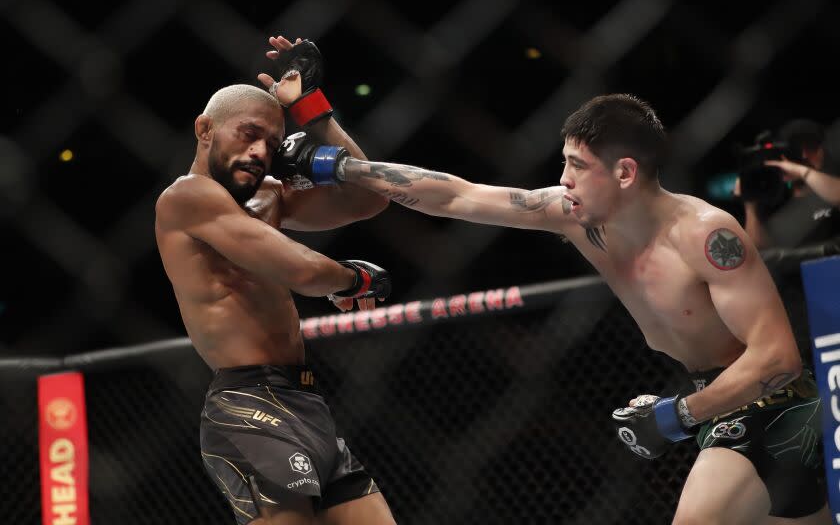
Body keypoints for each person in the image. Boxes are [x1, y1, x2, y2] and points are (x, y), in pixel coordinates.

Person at [281, 93, 829, 524]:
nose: (563, 179)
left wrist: (676, 415)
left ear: (624, 173)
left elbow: (778, 358)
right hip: (717, 405)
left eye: (577, 165)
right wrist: (342, 167)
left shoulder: (706, 235)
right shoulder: (577, 218)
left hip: (779, 408)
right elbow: (455, 195)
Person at [154, 35, 396, 525]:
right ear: (205, 130)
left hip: (305, 399)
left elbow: (372, 196)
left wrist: (313, 110)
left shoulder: (269, 195)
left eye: (270, 140)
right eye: (246, 133)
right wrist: (352, 278)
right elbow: (301, 269)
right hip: (248, 402)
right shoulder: (185, 199)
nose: (259, 151)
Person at [737, 119, 840, 249]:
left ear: (822, 149)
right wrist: (750, 205)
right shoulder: (773, 192)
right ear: (784, 153)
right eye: (796, 149)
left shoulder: (834, 176)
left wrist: (801, 171)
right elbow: (760, 250)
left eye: (811, 148)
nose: (804, 155)